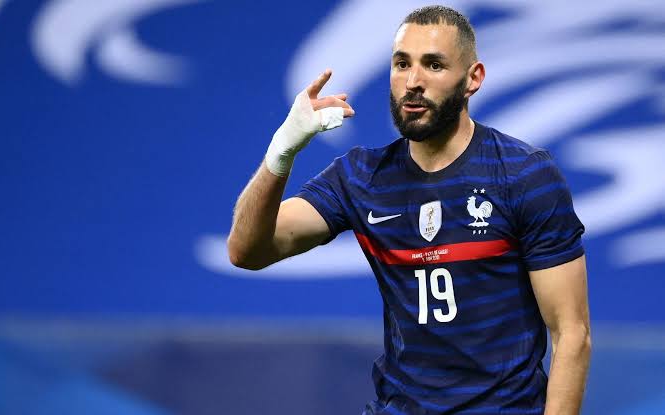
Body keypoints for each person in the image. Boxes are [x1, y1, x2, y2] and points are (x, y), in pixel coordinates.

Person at [227, 5, 591, 414]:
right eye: (402, 64)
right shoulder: (360, 177)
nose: (413, 82)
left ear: (473, 79)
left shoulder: (524, 175)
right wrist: (281, 150)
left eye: (434, 65)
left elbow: (572, 335)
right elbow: (246, 251)